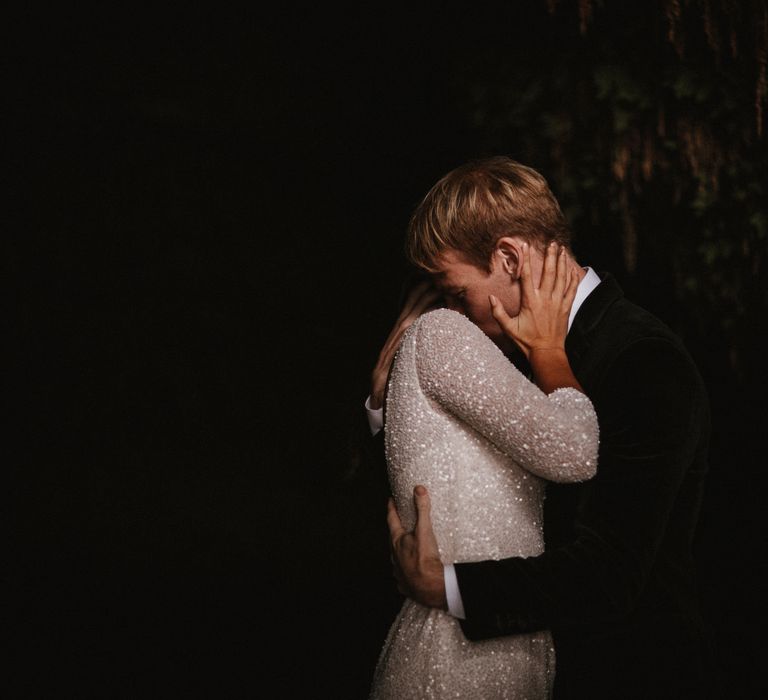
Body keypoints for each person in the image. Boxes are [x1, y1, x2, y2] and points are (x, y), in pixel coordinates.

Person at [368, 157, 712, 698]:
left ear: (507, 257)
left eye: (457, 292)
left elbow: (612, 574)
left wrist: (448, 586)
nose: (452, 314)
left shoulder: (643, 360)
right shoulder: (504, 347)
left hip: (625, 673)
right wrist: (387, 394)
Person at [369, 242, 599, 698]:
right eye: (443, 291)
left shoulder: (475, 344)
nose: (456, 308)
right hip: (461, 657)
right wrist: (549, 350)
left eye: (455, 290)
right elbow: (575, 450)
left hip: (509, 642)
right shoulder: (443, 333)